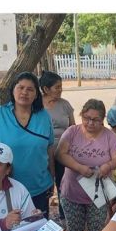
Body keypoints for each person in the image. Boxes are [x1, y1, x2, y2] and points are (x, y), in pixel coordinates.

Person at [0, 71, 54, 215]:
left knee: (37, 230)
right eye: (20, 87)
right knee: (11, 229)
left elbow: (49, 148)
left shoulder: (44, 116)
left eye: (30, 89)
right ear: (13, 90)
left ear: (36, 94)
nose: (24, 92)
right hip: (6, 186)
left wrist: (52, 178)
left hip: (38, 186)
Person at [56, 99, 116, 231]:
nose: (90, 123)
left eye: (95, 120)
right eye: (87, 118)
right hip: (72, 193)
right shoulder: (72, 132)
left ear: (102, 120)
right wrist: (79, 168)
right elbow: (60, 154)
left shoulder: (109, 136)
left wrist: (108, 166)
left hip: (98, 194)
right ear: (81, 116)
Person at [40, 71, 75, 221]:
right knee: (44, 184)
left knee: (63, 182)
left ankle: (63, 214)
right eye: (57, 87)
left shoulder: (65, 104)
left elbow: (73, 127)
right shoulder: (37, 106)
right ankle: (42, 216)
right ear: (46, 89)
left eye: (61, 87)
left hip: (63, 151)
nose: (60, 90)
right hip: (42, 152)